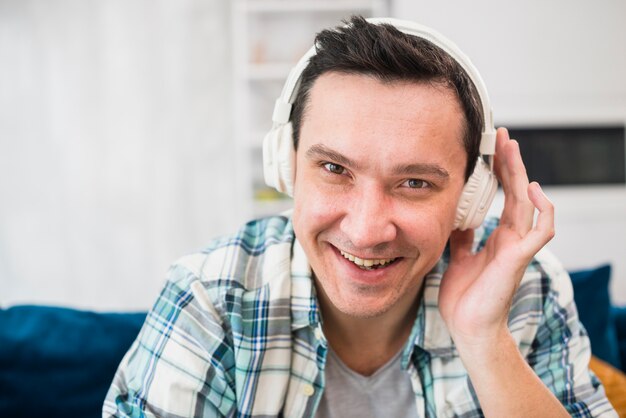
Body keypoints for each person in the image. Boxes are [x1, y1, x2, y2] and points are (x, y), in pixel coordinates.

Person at [103, 16, 617, 417]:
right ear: (287, 166)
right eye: (334, 168)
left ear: (471, 197)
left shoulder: (528, 289)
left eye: (415, 183)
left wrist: (485, 340)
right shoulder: (212, 296)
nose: (368, 230)